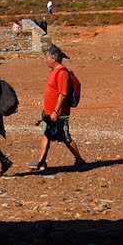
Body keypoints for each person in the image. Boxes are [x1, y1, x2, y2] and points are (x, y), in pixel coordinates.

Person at [30, 43, 86, 172]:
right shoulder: (54, 71)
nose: (45, 60)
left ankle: (80, 161)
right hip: (50, 112)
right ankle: (41, 162)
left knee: (65, 138)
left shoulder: (61, 73)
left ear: (53, 59)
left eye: (46, 57)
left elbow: (63, 94)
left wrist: (56, 111)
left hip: (59, 113)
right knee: (46, 135)